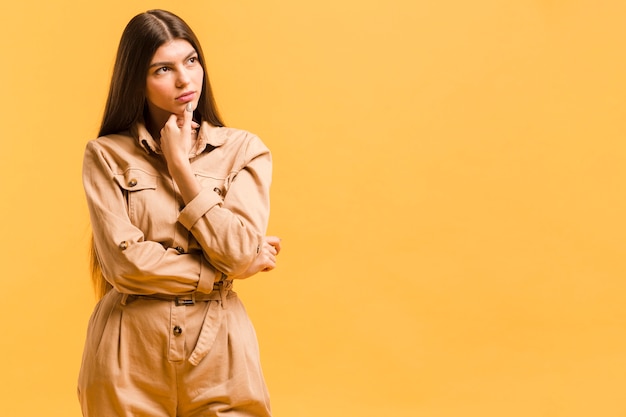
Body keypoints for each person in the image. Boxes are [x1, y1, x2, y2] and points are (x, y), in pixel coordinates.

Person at [78, 9, 281, 417]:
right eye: (163, 69)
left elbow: (241, 251)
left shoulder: (244, 150)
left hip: (221, 351)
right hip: (128, 353)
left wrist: (182, 171)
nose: (184, 79)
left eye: (190, 60)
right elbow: (124, 265)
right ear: (137, 79)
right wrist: (220, 270)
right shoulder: (106, 155)